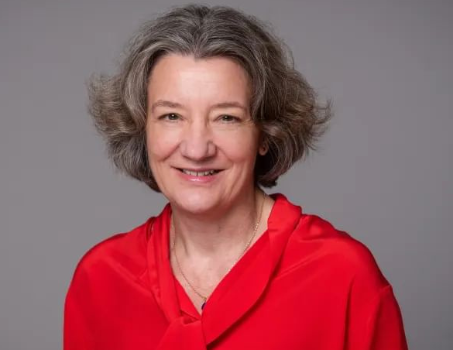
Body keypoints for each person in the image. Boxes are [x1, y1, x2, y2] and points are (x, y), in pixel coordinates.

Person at [65, 4, 407, 349]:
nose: (197, 148)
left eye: (226, 117)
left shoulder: (342, 275)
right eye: (171, 116)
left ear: (265, 133)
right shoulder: (102, 280)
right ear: (143, 130)